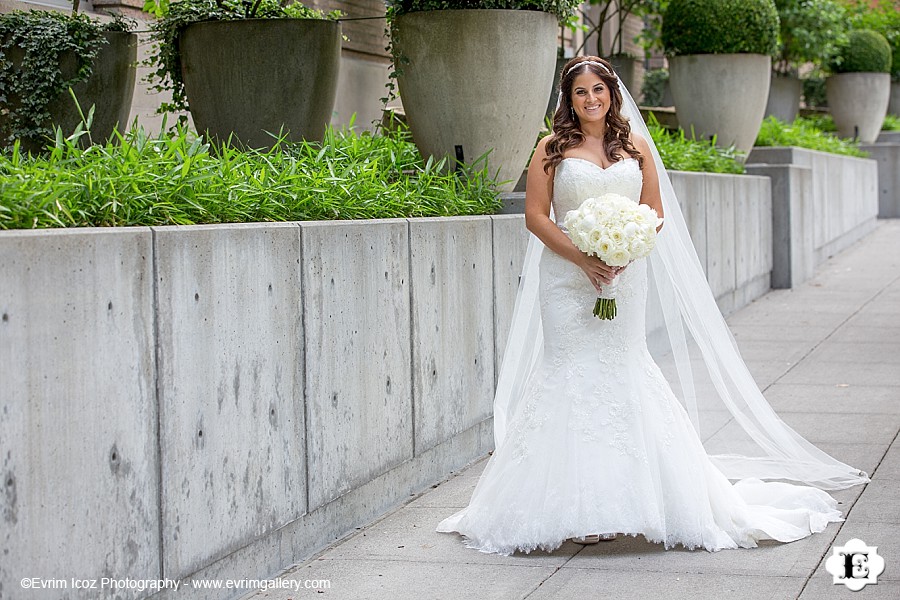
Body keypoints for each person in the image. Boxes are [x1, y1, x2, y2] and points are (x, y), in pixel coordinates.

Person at [436, 56, 868, 556]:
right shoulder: (551, 149)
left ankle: (627, 499)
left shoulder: (636, 146)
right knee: (569, 373)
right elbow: (536, 216)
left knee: (621, 371)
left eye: (599, 89)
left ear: (612, 93)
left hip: (624, 275)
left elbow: (655, 214)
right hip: (566, 278)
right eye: (581, 92)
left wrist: (624, 247)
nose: (591, 99)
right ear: (568, 99)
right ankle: (574, 507)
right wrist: (584, 257)